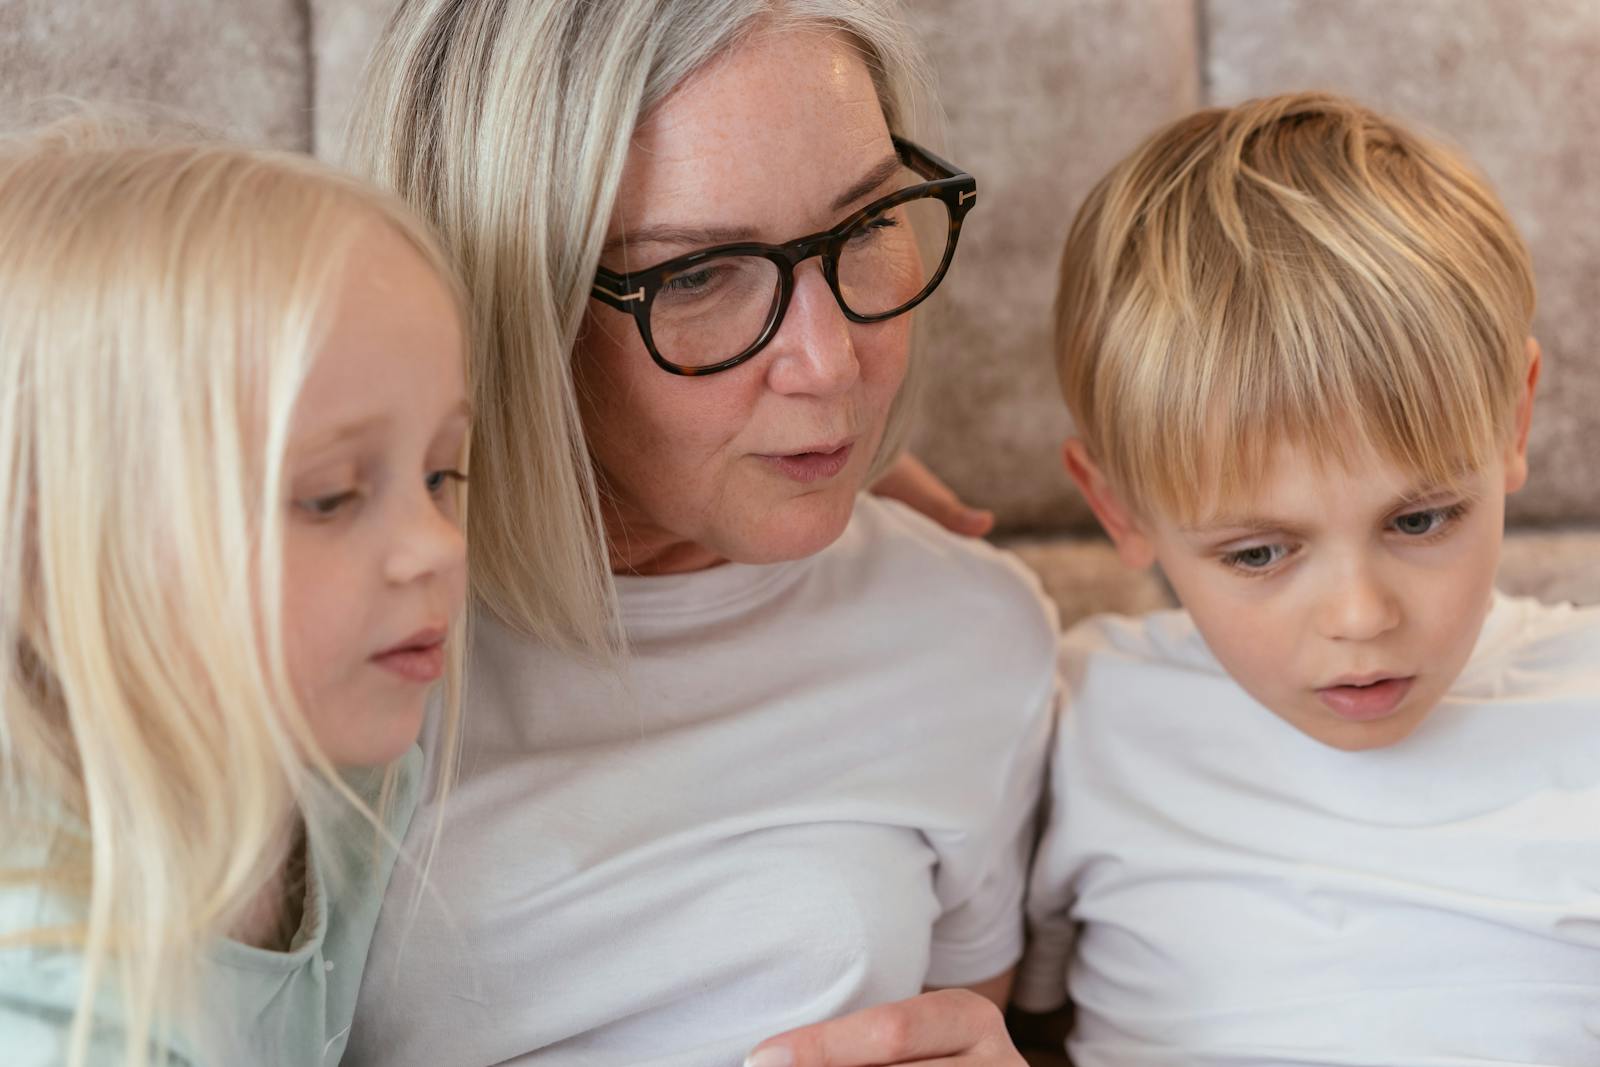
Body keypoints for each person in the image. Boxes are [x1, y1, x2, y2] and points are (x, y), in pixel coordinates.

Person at [342, 2, 1057, 1065]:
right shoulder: (347, 639)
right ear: (511, 306)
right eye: (694, 275)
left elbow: (964, 1015)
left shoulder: (971, 632)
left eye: (863, 229)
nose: (831, 362)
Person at [1012, 91, 1600, 1065]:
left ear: (1512, 423)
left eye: (1418, 519)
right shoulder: (1082, 715)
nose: (1360, 616)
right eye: (1257, 553)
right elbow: (1011, 1020)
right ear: (1119, 508)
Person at [0, 117, 473, 1066]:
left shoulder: (348, 784)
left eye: (443, 473)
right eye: (330, 496)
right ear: (62, 549)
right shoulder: (56, 1000)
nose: (434, 548)